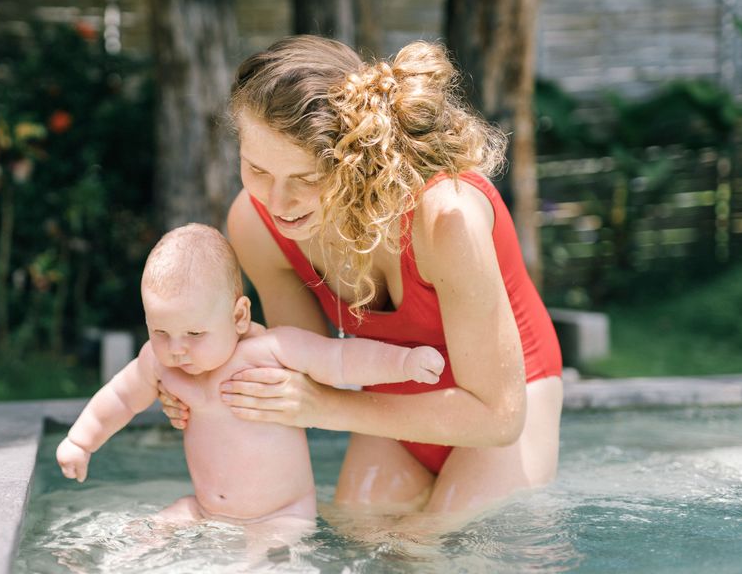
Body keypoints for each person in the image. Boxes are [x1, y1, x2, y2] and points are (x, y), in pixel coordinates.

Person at [158, 35, 565, 522]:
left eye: (308, 179)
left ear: (359, 159)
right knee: (362, 537)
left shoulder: (446, 218)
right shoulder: (255, 224)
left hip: (505, 400)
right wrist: (202, 379)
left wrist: (324, 409)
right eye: (257, 169)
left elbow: (499, 416)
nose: (279, 202)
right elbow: (300, 367)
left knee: (441, 549)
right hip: (391, 401)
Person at [56, 223, 445, 533]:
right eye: (160, 332)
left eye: (194, 334)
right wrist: (81, 440)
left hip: (282, 516)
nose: (177, 349)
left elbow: (341, 359)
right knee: (145, 534)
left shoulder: (270, 352)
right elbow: (121, 398)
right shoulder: (160, 364)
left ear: (239, 317)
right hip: (205, 509)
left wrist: (405, 363)